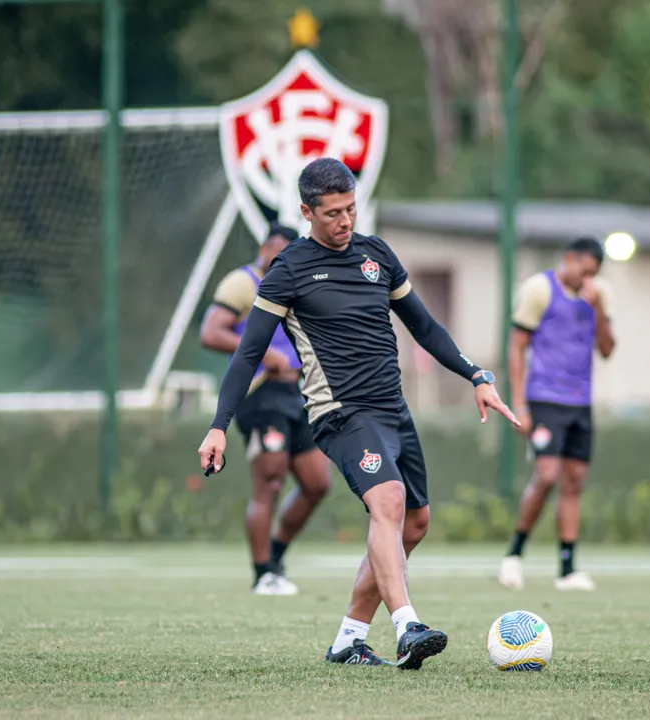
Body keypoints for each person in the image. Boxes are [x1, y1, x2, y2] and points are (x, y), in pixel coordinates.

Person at [198, 157, 519, 669]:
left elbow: (425, 327)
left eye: (351, 209)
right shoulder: (288, 271)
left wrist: (476, 376)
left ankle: (349, 639)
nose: (346, 222)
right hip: (340, 413)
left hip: (392, 409)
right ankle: (407, 625)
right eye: (333, 214)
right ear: (307, 211)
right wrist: (219, 425)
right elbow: (248, 352)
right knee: (387, 502)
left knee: (415, 522)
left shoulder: (377, 255)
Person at [199, 223, 331, 596]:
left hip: (298, 395)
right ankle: (262, 573)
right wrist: (265, 353)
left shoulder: (299, 284)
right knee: (269, 482)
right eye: (269, 251)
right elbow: (211, 332)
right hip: (260, 395)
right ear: (263, 248)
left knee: (317, 484)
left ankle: (275, 554)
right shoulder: (243, 283)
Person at [498, 237, 616, 592]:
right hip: (544, 398)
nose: (586, 279)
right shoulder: (539, 289)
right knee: (547, 474)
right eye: (583, 270)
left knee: (575, 480)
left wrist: (596, 308)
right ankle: (514, 554)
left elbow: (607, 350)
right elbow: (516, 349)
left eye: (593, 274)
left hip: (581, 401)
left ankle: (567, 569)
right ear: (569, 259)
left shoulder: (598, 294)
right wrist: (519, 404)